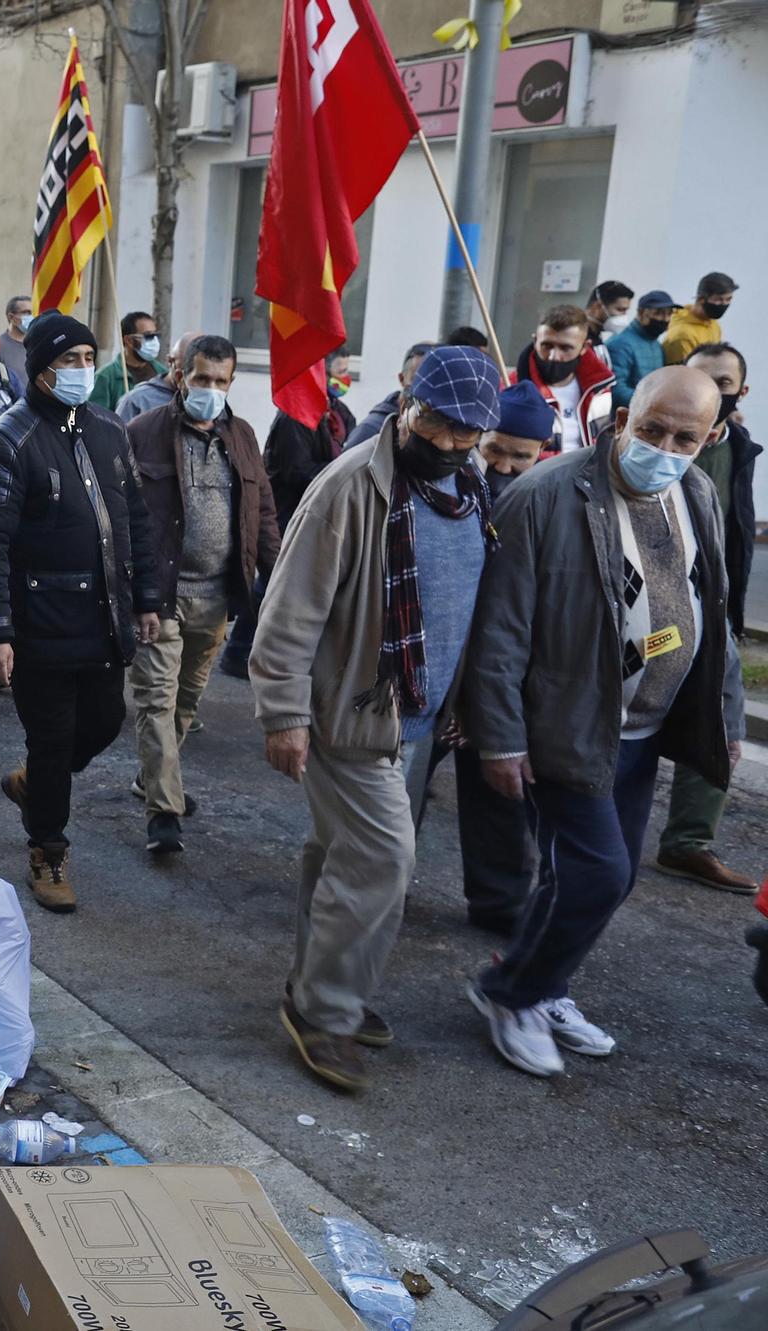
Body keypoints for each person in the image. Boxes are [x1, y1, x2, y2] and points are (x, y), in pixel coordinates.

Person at [465, 366, 744, 1077]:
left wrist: (728, 713)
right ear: (622, 417)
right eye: (651, 429)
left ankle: (541, 982)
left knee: (602, 879)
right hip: (569, 724)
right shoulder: (545, 495)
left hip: (644, 729)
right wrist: (499, 737)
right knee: (597, 872)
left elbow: (715, 614)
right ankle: (510, 992)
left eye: (685, 436)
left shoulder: (698, 491)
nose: (663, 446)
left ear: (711, 437)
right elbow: (499, 631)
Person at [250, 346, 504, 1093]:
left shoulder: (470, 483)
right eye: (437, 423)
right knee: (384, 859)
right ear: (406, 401)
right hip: (353, 713)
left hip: (421, 718)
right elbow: (288, 612)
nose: (451, 443)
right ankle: (325, 1010)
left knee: (339, 853)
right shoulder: (348, 486)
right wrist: (284, 713)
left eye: (468, 432)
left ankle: (320, 983)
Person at [0, 313, 161, 911]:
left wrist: (145, 597)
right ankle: (48, 852)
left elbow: (135, 524)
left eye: (86, 359)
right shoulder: (6, 440)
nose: (80, 372)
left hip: (103, 621)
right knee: (52, 741)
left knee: (102, 725)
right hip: (40, 624)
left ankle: (34, 786)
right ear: (41, 368)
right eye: (67, 361)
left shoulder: (108, 429)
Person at [127, 334, 278, 856]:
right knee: (156, 700)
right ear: (180, 376)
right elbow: (124, 521)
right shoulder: (143, 434)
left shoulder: (244, 437)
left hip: (217, 598)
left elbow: (264, 513)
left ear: (231, 383)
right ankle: (164, 813)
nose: (210, 389)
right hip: (159, 597)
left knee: (188, 700)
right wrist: (136, 594)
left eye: (220, 381)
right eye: (201, 379)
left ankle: (153, 776)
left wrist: (274, 573)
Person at [432, 383, 558, 937]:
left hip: (498, 679)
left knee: (500, 790)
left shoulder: (552, 502)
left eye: (521, 457)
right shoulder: (443, 483)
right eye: (496, 451)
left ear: (541, 454)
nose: (505, 466)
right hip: (433, 671)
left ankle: (499, 903)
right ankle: (374, 884)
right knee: (397, 789)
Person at [653, 343, 758, 892]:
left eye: (723, 382)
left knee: (723, 714)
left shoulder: (740, 447)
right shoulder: (651, 440)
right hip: (650, 602)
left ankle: (690, 843)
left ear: (741, 391)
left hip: (712, 604)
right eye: (699, 380)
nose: (711, 391)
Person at [262, 348, 356, 536]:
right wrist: (343, 473)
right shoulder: (294, 417)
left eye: (347, 371)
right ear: (321, 374)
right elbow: (298, 472)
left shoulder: (338, 410)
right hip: (292, 519)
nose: (346, 378)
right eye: (341, 372)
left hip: (320, 516)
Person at [509, 304, 614, 453]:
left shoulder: (600, 387)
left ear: (584, 347)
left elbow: (603, 441)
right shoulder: (511, 387)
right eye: (546, 346)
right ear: (535, 341)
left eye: (565, 348)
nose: (554, 356)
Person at [347, 343, 434, 448]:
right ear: (402, 379)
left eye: (436, 381)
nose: (429, 388)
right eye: (419, 380)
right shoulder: (371, 430)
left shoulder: (442, 432)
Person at [608, 290, 676, 409]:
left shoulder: (656, 345)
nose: (665, 319)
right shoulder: (620, 344)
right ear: (641, 313)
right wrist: (651, 403)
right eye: (659, 313)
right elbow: (616, 389)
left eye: (669, 314)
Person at [118, 330, 202, 421]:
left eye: (202, 376)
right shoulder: (138, 401)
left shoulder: (213, 404)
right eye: (187, 369)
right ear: (170, 361)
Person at [91, 310, 163, 412]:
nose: (154, 341)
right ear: (128, 340)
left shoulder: (162, 373)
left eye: (155, 335)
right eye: (148, 336)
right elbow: (96, 417)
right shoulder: (106, 377)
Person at [662, 271, 736, 366]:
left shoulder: (713, 324)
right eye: (719, 299)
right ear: (701, 299)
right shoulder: (682, 334)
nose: (724, 304)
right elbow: (683, 375)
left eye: (728, 299)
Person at [0, 295, 32, 389]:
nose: (31, 317)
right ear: (11, 317)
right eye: (26, 313)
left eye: (33, 313)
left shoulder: (37, 343)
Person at [586, 279, 634, 344]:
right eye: (620, 309)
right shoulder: (578, 337)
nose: (623, 316)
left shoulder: (596, 336)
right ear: (598, 306)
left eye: (625, 311)